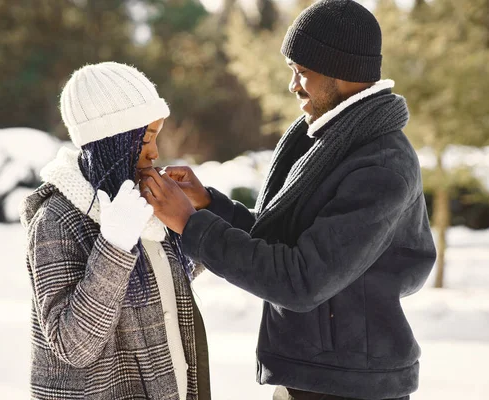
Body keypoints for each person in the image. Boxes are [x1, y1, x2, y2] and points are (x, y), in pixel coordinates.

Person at [138, 1, 437, 399]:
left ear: (342, 72)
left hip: (351, 388)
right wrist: (210, 204)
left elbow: (300, 279)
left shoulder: (379, 167)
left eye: (302, 73)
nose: (293, 86)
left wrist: (192, 225)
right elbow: (285, 239)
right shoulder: (331, 139)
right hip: (315, 378)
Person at [20, 62, 210, 400]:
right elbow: (72, 346)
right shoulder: (56, 220)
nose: (155, 152)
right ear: (113, 142)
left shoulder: (138, 203)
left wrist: (195, 213)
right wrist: (114, 246)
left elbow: (171, 280)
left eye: (157, 135)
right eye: (145, 138)